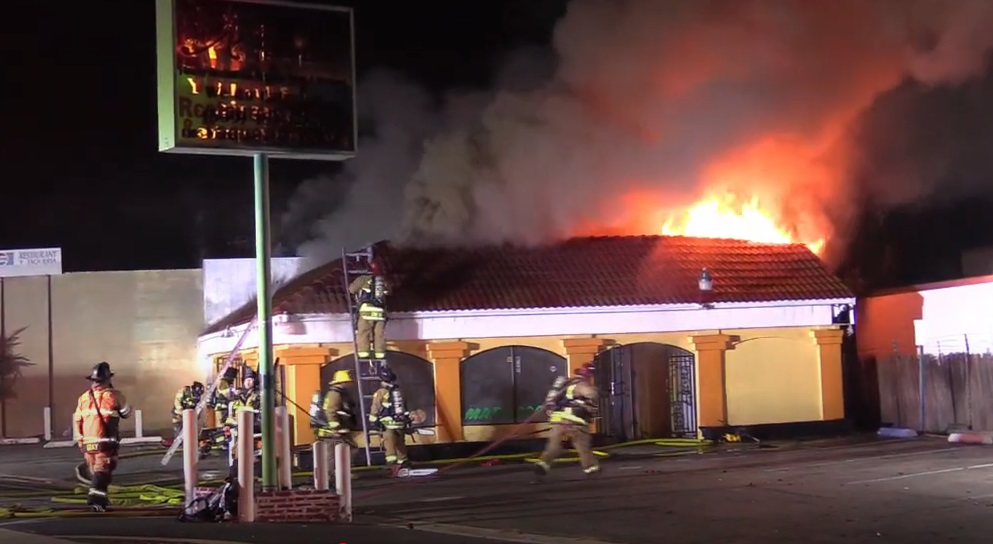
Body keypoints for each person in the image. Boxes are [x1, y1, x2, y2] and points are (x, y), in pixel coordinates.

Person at [73, 362, 132, 511]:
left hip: (87, 443)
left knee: (96, 472)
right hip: (104, 442)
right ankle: (96, 501)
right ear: (107, 379)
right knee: (103, 471)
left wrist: (80, 441)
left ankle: (101, 499)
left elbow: (77, 420)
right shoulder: (113, 395)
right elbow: (126, 413)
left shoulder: (83, 398)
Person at [534, 363, 600, 478]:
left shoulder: (565, 383)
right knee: (582, 444)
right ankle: (590, 467)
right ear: (589, 374)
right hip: (575, 421)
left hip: (558, 419)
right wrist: (595, 394)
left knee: (554, 444)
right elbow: (591, 394)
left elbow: (552, 401)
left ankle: (543, 464)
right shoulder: (581, 384)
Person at [369, 366, 410, 469]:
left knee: (389, 444)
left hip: (388, 424)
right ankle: (403, 462)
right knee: (400, 443)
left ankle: (392, 465)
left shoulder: (381, 392)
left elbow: (376, 406)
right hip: (400, 422)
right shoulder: (398, 391)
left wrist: (373, 419)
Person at [348, 260, 389, 359]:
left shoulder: (362, 279)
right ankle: (380, 353)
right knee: (379, 334)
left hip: (367, 311)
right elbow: (388, 292)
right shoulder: (382, 281)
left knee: (363, 332)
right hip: (380, 313)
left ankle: (364, 353)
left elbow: (351, 289)